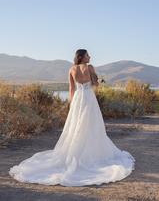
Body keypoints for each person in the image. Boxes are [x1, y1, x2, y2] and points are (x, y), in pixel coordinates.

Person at [9, 49, 135, 187]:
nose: (90, 56)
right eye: (87, 55)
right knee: (92, 125)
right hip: (88, 98)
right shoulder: (89, 67)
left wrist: (71, 104)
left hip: (77, 99)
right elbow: (95, 83)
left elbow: (71, 88)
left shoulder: (71, 69)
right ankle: (91, 151)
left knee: (75, 125)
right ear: (81, 57)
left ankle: (76, 148)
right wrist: (100, 80)